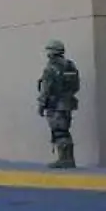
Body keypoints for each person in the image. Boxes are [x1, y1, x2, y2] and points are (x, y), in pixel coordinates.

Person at [37, 39, 80, 169]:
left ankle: (64, 160)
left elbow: (46, 89)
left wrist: (41, 105)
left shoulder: (51, 68)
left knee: (59, 132)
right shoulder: (70, 66)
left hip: (55, 104)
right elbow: (76, 86)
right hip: (68, 104)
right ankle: (69, 159)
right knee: (64, 131)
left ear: (51, 52)